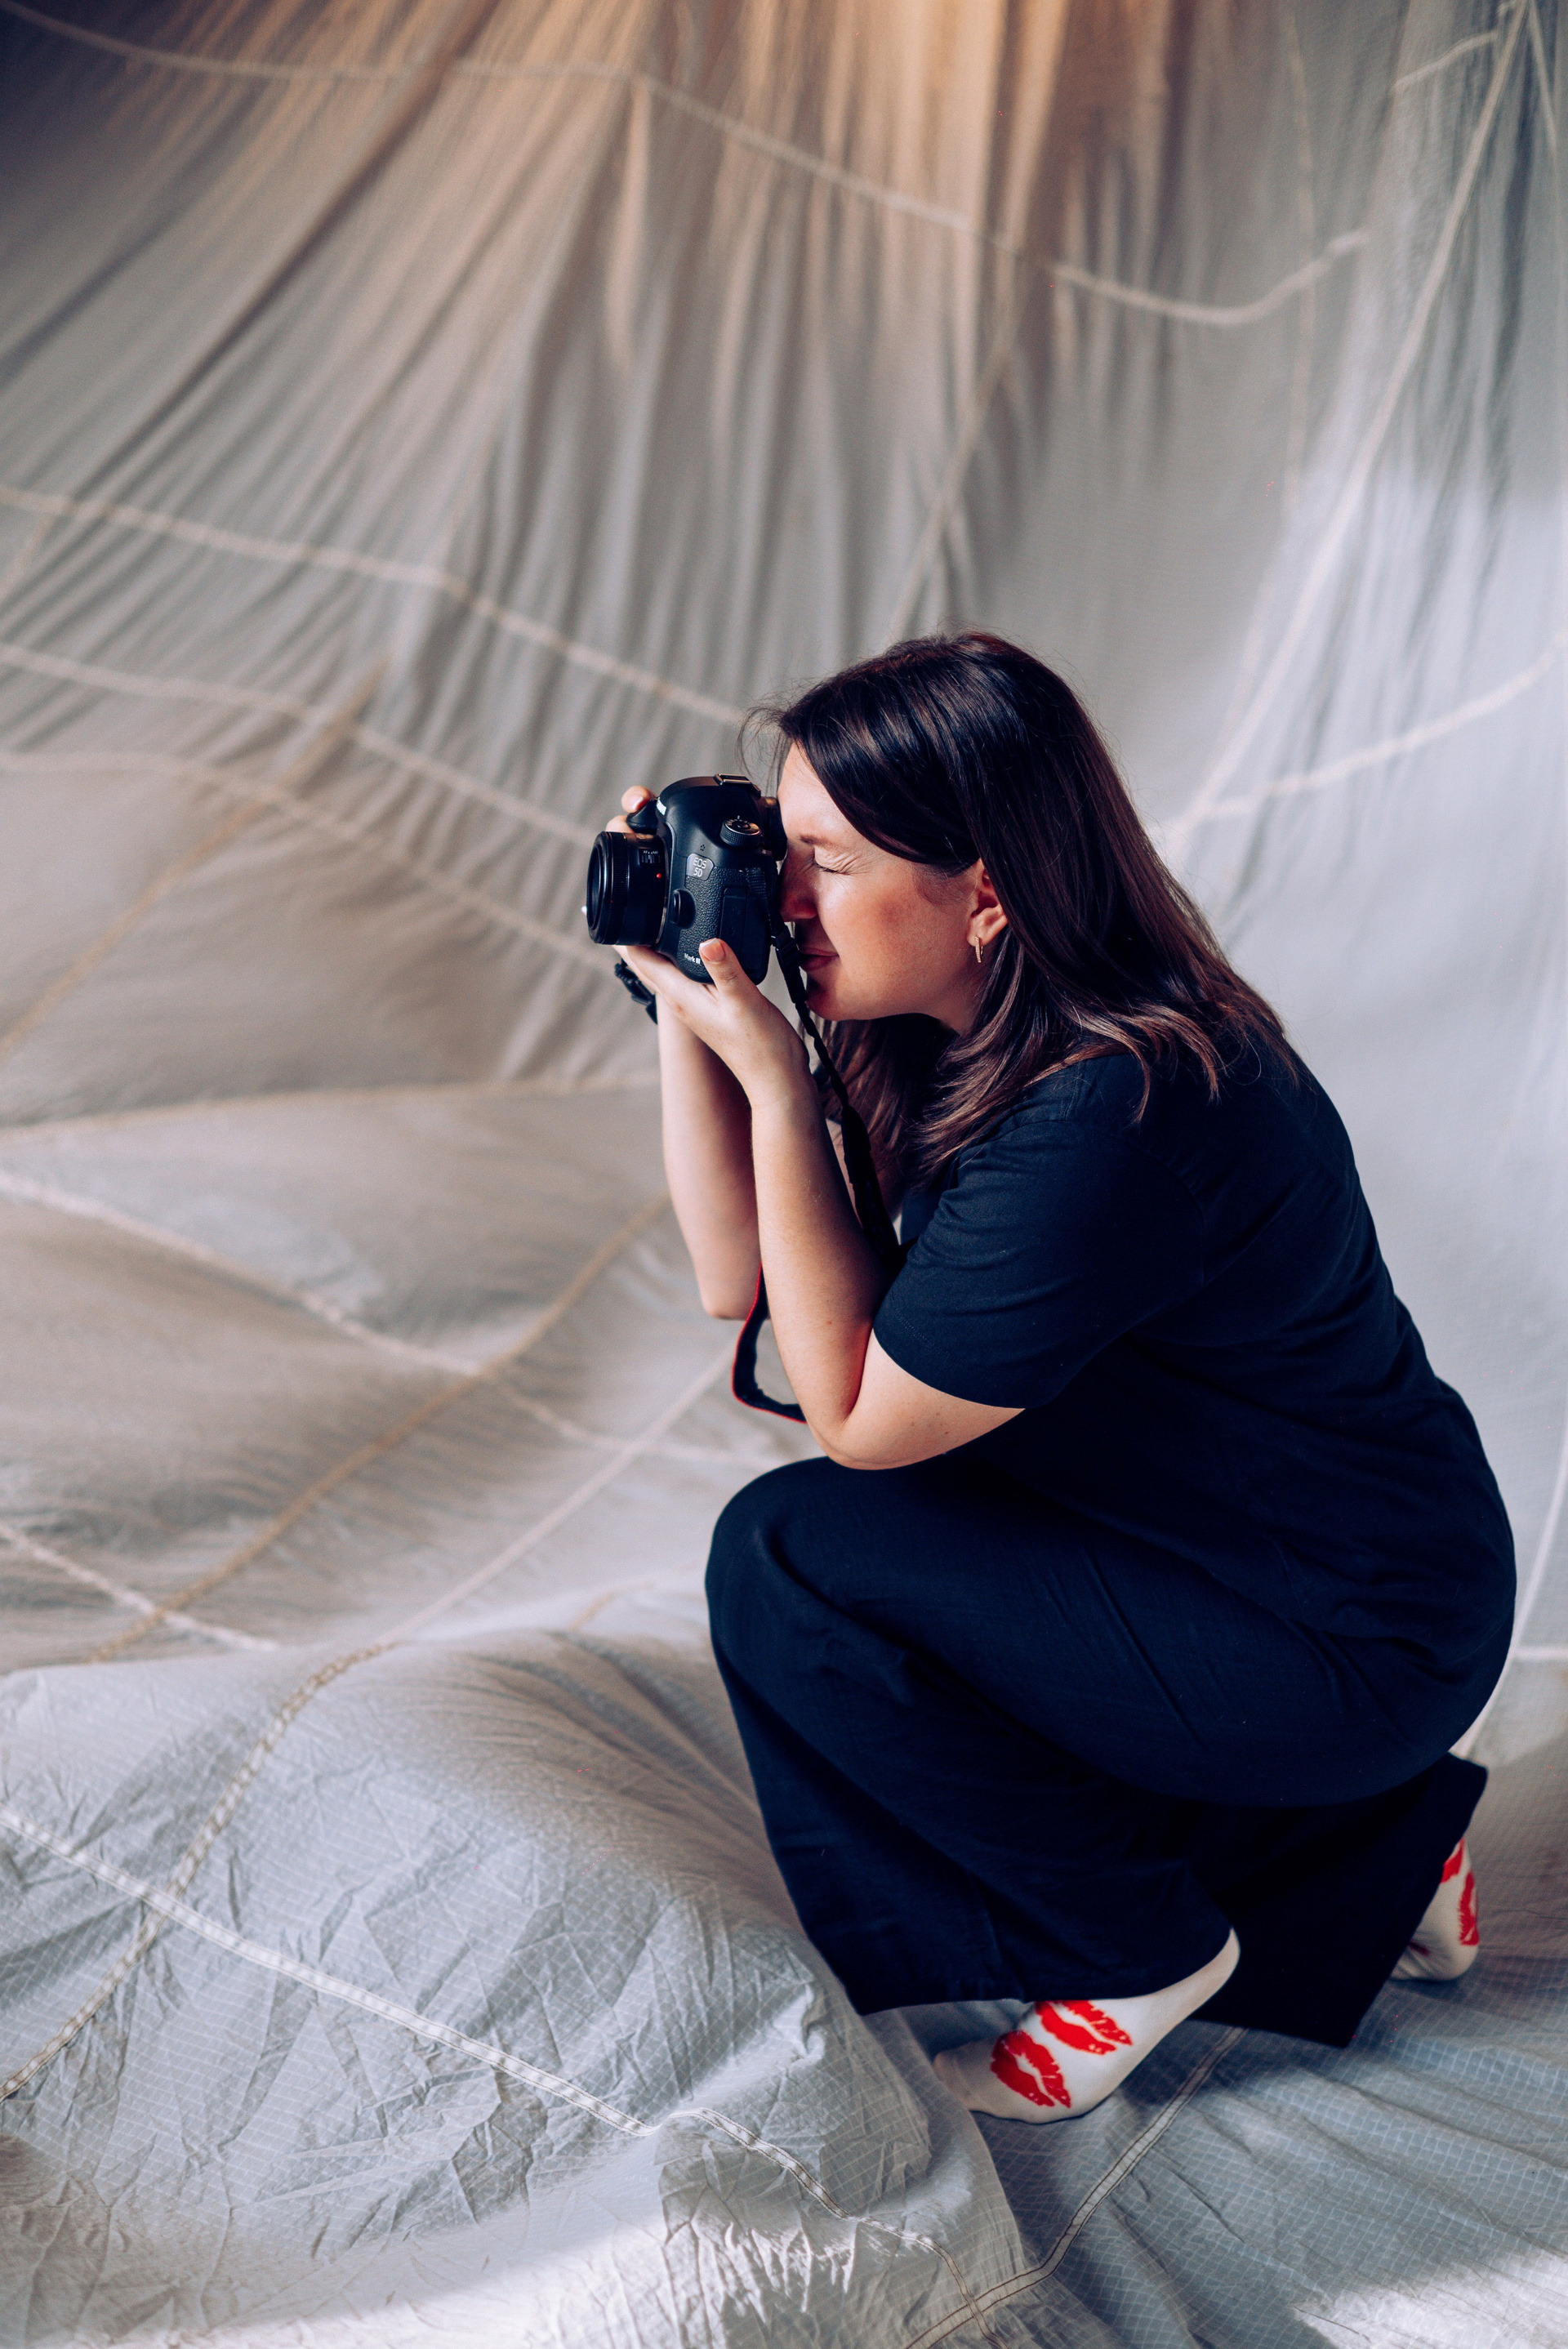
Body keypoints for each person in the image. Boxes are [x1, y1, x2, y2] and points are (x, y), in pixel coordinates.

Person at [604, 632, 1514, 2124]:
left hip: (1349, 1626)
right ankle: (1378, 1849)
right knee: (927, 1550)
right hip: (1268, 1558)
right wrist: (685, 997)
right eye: (778, 850)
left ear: (986, 890)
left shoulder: (1119, 1111)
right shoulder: (956, 1033)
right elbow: (739, 1276)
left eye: (825, 863)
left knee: (800, 1563)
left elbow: (859, 1421)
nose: (786, 899)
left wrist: (772, 1075)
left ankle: (1137, 1950)